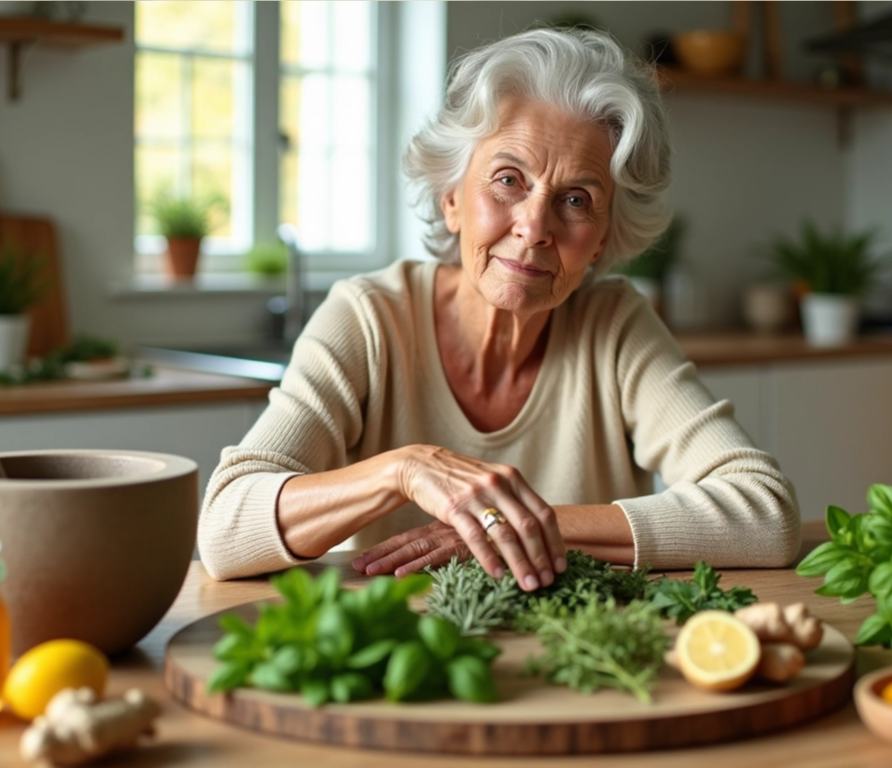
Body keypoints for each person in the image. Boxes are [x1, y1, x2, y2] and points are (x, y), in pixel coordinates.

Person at [198, 27, 800, 588]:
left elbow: (766, 513)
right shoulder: (369, 317)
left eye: (576, 199)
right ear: (452, 199)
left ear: (601, 240)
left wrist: (518, 527)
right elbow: (226, 528)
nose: (534, 227)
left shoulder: (614, 326)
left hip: (571, 647)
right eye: (509, 180)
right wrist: (404, 469)